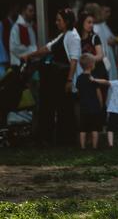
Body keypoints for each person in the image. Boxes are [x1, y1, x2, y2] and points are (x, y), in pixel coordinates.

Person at [22, 8, 80, 145]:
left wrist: (69, 80)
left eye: (59, 20)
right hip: (57, 78)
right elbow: (47, 48)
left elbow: (74, 60)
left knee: (65, 109)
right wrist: (30, 55)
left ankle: (66, 139)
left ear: (67, 21)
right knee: (57, 107)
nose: (56, 23)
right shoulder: (63, 35)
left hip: (64, 77)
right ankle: (54, 138)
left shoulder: (73, 36)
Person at [93, 64, 118, 147]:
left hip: (114, 111)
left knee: (110, 129)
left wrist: (94, 79)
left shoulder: (115, 83)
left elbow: (105, 82)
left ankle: (111, 144)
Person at [76, 53, 104, 149]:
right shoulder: (94, 78)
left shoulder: (79, 78)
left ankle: (82, 147)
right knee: (95, 129)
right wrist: (101, 104)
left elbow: (79, 92)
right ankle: (94, 147)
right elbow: (98, 94)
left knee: (83, 129)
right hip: (94, 107)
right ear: (92, 65)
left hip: (84, 107)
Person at [78, 11, 108, 81]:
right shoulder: (77, 39)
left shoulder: (94, 37)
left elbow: (100, 55)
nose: (91, 25)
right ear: (82, 22)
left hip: (97, 72)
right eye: (89, 22)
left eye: (92, 23)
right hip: (84, 73)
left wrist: (87, 61)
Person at [92, 4, 118, 80]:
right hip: (102, 60)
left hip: (108, 57)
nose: (108, 14)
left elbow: (111, 40)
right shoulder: (95, 28)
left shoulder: (102, 26)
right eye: (106, 11)